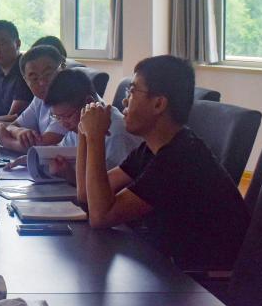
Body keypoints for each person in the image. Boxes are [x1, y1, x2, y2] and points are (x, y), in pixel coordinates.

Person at [76, 55, 250, 271]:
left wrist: (95, 137)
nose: (125, 101)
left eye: (132, 92)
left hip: (197, 280)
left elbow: (101, 216)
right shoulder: (152, 148)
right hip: (165, 264)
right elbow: (86, 195)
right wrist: (84, 133)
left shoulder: (180, 158)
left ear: (158, 104)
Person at [29, 68, 141, 183]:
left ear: (89, 102)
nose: (63, 123)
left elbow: (109, 188)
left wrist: (71, 176)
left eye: (67, 116)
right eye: (57, 117)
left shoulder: (116, 134)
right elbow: (62, 152)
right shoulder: (77, 125)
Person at [0, 44, 68, 149]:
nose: (42, 83)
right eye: (34, 78)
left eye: (48, 74)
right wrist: (18, 131)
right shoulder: (39, 99)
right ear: (26, 81)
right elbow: (11, 126)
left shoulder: (70, 100)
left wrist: (5, 141)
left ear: (63, 68)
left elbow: (44, 147)